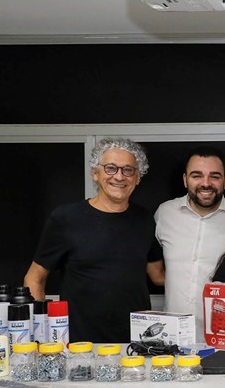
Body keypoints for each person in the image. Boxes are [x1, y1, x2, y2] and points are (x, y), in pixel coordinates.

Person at [23, 138, 163, 343]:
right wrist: (38, 335)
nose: (119, 176)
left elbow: (158, 275)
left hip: (136, 344)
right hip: (79, 345)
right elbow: (34, 278)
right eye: (111, 168)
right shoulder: (66, 218)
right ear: (95, 174)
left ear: (138, 177)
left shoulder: (144, 220)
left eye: (128, 170)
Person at [154, 147, 225, 332]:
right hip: (173, 334)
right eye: (197, 176)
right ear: (185, 180)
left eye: (214, 176)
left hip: (223, 335)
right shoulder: (164, 213)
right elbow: (153, 266)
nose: (206, 183)